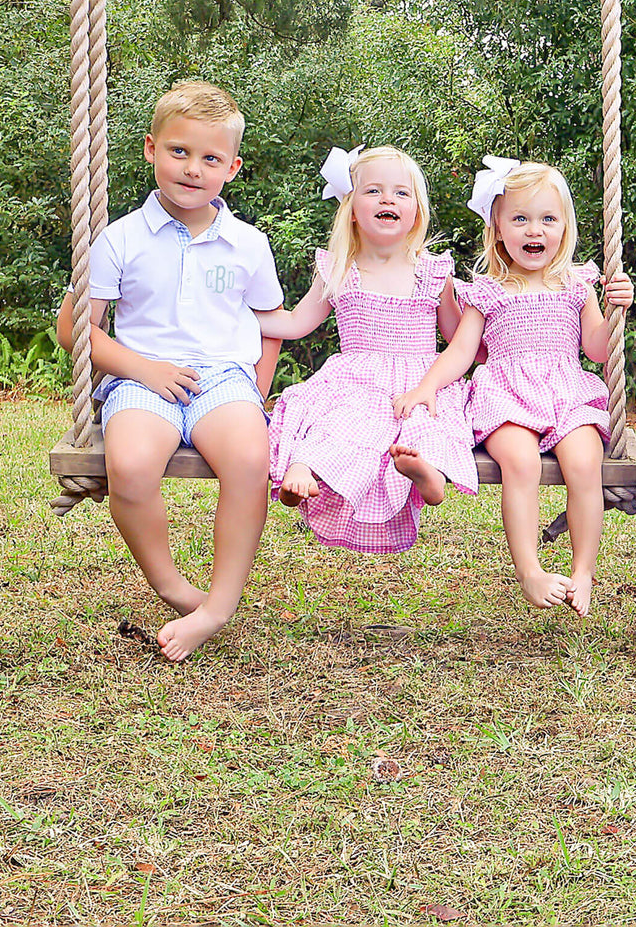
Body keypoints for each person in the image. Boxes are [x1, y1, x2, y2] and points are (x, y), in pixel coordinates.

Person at [56, 81, 283, 661]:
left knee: (250, 458)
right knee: (129, 464)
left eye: (210, 158)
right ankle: (172, 586)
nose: (192, 168)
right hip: (139, 377)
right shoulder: (119, 239)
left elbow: (268, 327)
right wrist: (144, 368)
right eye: (179, 152)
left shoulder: (248, 244)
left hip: (221, 379)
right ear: (152, 149)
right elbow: (73, 330)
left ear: (232, 168)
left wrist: (255, 396)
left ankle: (220, 603)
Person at [393, 157, 633, 618]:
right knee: (519, 463)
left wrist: (616, 307)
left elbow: (599, 350)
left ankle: (583, 570)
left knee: (585, 462)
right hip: (506, 394)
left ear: (564, 228)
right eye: (520, 219)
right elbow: (461, 352)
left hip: (566, 392)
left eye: (547, 219)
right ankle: (530, 570)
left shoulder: (577, 284)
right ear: (498, 228)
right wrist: (426, 387)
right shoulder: (487, 290)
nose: (533, 230)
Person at [259, 145, 477, 553]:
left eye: (401, 192)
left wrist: (497, 312)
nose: (388, 199)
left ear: (416, 211)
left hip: (421, 380)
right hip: (356, 381)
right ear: (352, 210)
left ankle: (429, 475)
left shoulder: (433, 271)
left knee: (425, 422)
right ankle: (301, 469)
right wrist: (236, 315)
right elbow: (295, 323)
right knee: (339, 422)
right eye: (373, 191)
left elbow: (459, 339)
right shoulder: (340, 268)